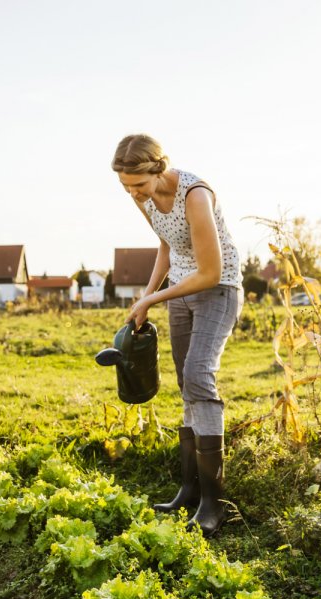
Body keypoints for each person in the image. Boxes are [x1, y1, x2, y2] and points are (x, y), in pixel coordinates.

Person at [111, 134, 242, 537]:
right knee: (186, 382)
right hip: (181, 293)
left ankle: (213, 504)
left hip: (217, 290)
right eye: (127, 186)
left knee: (200, 374)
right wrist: (148, 296)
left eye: (139, 184)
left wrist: (155, 297)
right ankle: (189, 489)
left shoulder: (196, 196)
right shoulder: (142, 196)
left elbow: (211, 272)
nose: (134, 193)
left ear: (158, 168)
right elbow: (166, 245)